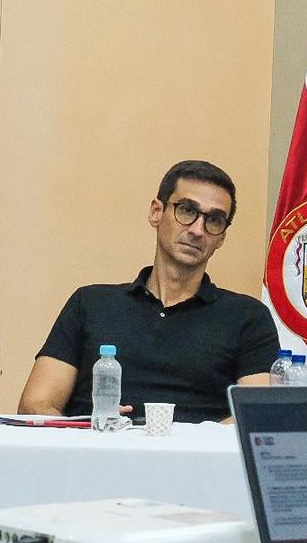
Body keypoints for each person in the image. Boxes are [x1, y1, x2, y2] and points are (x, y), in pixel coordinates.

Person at [18, 160, 279, 422]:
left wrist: (181, 443)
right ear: (156, 211)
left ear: (222, 236)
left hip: (194, 460)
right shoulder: (90, 303)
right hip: (98, 452)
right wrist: (89, 430)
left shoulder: (248, 317)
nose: (198, 230)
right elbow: (35, 404)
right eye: (187, 210)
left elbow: (258, 415)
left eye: (214, 220)